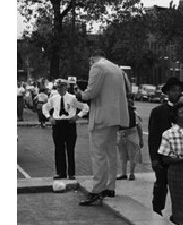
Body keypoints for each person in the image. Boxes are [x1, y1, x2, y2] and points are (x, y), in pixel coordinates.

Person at [77, 50, 130, 206]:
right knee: (110, 153)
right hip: (114, 117)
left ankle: (97, 190)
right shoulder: (116, 68)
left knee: (98, 154)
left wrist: (80, 94)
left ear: (91, 59)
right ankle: (110, 187)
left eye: (89, 63)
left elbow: (91, 93)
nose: (89, 66)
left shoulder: (98, 67)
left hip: (101, 117)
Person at [148, 78, 183, 216]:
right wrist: (154, 158)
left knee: (180, 187)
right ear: (168, 93)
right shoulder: (158, 111)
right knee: (161, 184)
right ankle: (157, 209)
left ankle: (178, 213)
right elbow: (153, 137)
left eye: (178, 90)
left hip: (180, 156)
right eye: (173, 90)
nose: (176, 93)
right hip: (162, 155)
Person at [42, 79, 89, 180]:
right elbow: (45, 107)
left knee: (70, 149)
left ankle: (71, 173)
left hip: (69, 124)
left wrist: (78, 116)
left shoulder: (72, 98)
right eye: (57, 87)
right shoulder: (53, 98)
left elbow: (85, 107)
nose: (59, 89)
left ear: (65, 87)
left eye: (61, 87)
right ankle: (60, 172)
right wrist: (49, 117)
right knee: (59, 149)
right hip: (58, 124)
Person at [116, 97, 144, 181]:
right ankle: (131, 174)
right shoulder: (135, 113)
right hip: (132, 136)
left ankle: (124, 174)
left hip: (121, 136)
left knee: (122, 156)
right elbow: (139, 127)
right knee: (132, 156)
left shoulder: (119, 113)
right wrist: (141, 139)